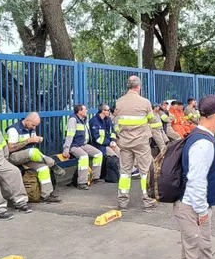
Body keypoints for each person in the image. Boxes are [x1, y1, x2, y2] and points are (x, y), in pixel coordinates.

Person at [174, 95, 215, 259]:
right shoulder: (204, 143)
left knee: (189, 258)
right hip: (193, 209)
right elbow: (196, 181)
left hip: (187, 206)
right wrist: (202, 211)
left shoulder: (197, 134)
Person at [114, 76, 158, 212]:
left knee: (125, 173)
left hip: (124, 142)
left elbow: (116, 123)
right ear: (138, 87)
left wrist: (120, 136)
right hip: (141, 142)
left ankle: (122, 202)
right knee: (145, 172)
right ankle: (147, 201)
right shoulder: (144, 102)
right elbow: (152, 121)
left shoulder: (119, 102)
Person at [6, 112, 65, 203]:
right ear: (27, 120)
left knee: (43, 168)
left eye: (36, 125)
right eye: (33, 125)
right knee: (32, 151)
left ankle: (46, 195)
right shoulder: (13, 130)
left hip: (29, 157)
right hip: (15, 157)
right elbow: (10, 148)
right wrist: (29, 140)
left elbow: (32, 145)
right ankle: (52, 163)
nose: (34, 127)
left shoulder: (31, 128)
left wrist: (36, 140)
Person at [62, 104, 104, 189]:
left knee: (98, 154)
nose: (87, 111)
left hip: (83, 144)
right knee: (84, 157)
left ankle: (95, 177)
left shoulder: (84, 120)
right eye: (85, 109)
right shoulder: (73, 120)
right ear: (79, 111)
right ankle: (81, 182)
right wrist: (66, 149)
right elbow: (69, 136)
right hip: (74, 145)